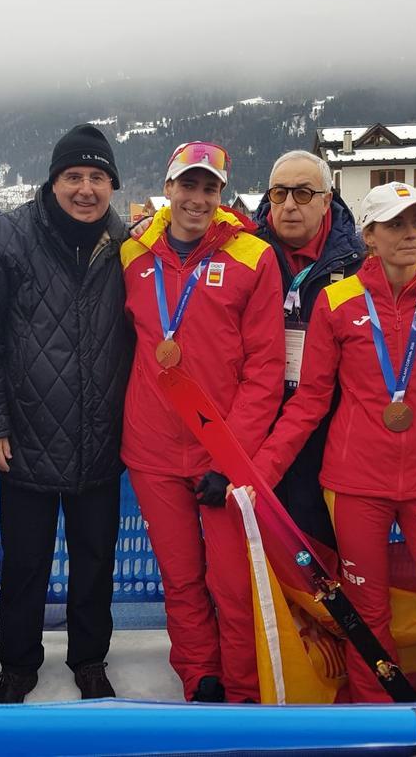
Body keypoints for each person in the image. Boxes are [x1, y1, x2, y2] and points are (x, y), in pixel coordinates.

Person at [254, 181, 416, 702]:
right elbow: (311, 401)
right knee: (365, 609)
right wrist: (260, 474)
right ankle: (374, 714)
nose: (410, 235)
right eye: (395, 225)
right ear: (370, 236)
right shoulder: (338, 302)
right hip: (356, 482)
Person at [0, 124, 131, 703]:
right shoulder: (6, 237)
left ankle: (89, 659)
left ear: (112, 185)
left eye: (97, 178)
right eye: (73, 177)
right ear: (53, 182)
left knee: (94, 561)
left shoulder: (126, 243)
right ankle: (19, 663)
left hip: (101, 435)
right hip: (24, 435)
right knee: (25, 564)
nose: (85, 189)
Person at [120, 141, 284, 703]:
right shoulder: (133, 253)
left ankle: (242, 687)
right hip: (151, 449)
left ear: (222, 195)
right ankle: (201, 678)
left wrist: (228, 459)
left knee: (232, 583)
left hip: (222, 452)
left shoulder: (253, 257)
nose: (196, 198)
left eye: (208, 188)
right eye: (187, 185)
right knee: (182, 577)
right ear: (167, 189)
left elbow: (264, 370)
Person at [252, 151, 416, 545]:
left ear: (326, 199)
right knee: (277, 548)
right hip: (262, 413)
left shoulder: (353, 257)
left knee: (321, 544)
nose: (288, 205)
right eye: (279, 194)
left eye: (303, 194)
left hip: (333, 426)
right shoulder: (248, 249)